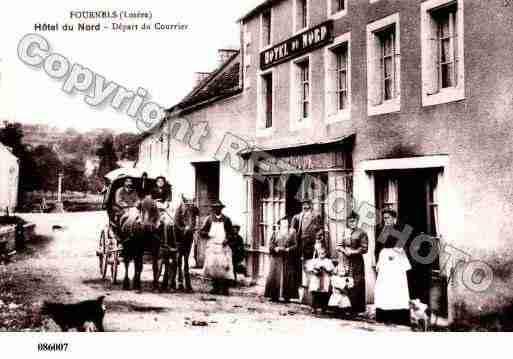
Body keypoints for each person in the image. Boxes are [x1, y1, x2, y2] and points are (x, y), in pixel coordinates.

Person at [374, 209, 411, 325]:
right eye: (385, 218)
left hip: (397, 260)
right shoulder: (382, 229)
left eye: (389, 218)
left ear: (394, 218)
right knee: (384, 286)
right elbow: (378, 247)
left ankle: (400, 317)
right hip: (385, 260)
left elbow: (403, 244)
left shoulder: (402, 229)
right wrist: (377, 261)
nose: (387, 220)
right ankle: (384, 315)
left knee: (398, 286)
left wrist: (395, 251)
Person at [291, 198, 324, 303]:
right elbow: (293, 231)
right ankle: (300, 293)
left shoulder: (316, 216)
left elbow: (320, 230)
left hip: (311, 246)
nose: (305, 207)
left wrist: (317, 243)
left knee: (310, 269)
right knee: (300, 268)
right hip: (299, 246)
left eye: (307, 205)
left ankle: (310, 296)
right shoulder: (297, 217)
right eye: (304, 205)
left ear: (311, 206)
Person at [199, 201, 234, 295]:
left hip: (223, 245)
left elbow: (231, 233)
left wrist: (227, 239)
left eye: (219, 208)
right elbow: (201, 232)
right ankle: (215, 287)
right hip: (213, 245)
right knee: (213, 266)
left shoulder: (226, 220)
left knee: (224, 266)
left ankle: (225, 288)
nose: (217, 210)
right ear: (213, 209)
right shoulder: (209, 219)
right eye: (215, 208)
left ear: (221, 209)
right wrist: (208, 234)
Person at [336, 211, 369, 315]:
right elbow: (339, 245)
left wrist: (353, 252)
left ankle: (356, 308)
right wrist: (344, 251)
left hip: (357, 262)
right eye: (350, 221)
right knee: (345, 281)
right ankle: (345, 307)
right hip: (345, 260)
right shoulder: (345, 232)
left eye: (354, 221)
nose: (352, 223)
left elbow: (364, 248)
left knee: (356, 282)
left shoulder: (361, 233)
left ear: (357, 221)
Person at [264, 218, 300, 303]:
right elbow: (270, 244)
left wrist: (288, 249)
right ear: (280, 224)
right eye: (283, 224)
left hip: (287, 258)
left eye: (287, 223)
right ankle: (274, 296)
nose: (285, 225)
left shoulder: (292, 232)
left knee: (287, 276)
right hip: (276, 258)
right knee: (274, 277)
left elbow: (295, 245)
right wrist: (275, 248)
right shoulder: (275, 232)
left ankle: (287, 296)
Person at [305, 246, 334, 314]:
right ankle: (314, 307)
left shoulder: (328, 261)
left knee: (324, 294)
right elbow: (309, 268)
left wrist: (326, 269)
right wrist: (314, 270)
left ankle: (323, 308)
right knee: (315, 293)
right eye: (320, 253)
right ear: (318, 253)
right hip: (316, 279)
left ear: (326, 253)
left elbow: (332, 270)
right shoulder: (315, 260)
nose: (322, 255)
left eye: (323, 253)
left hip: (324, 278)